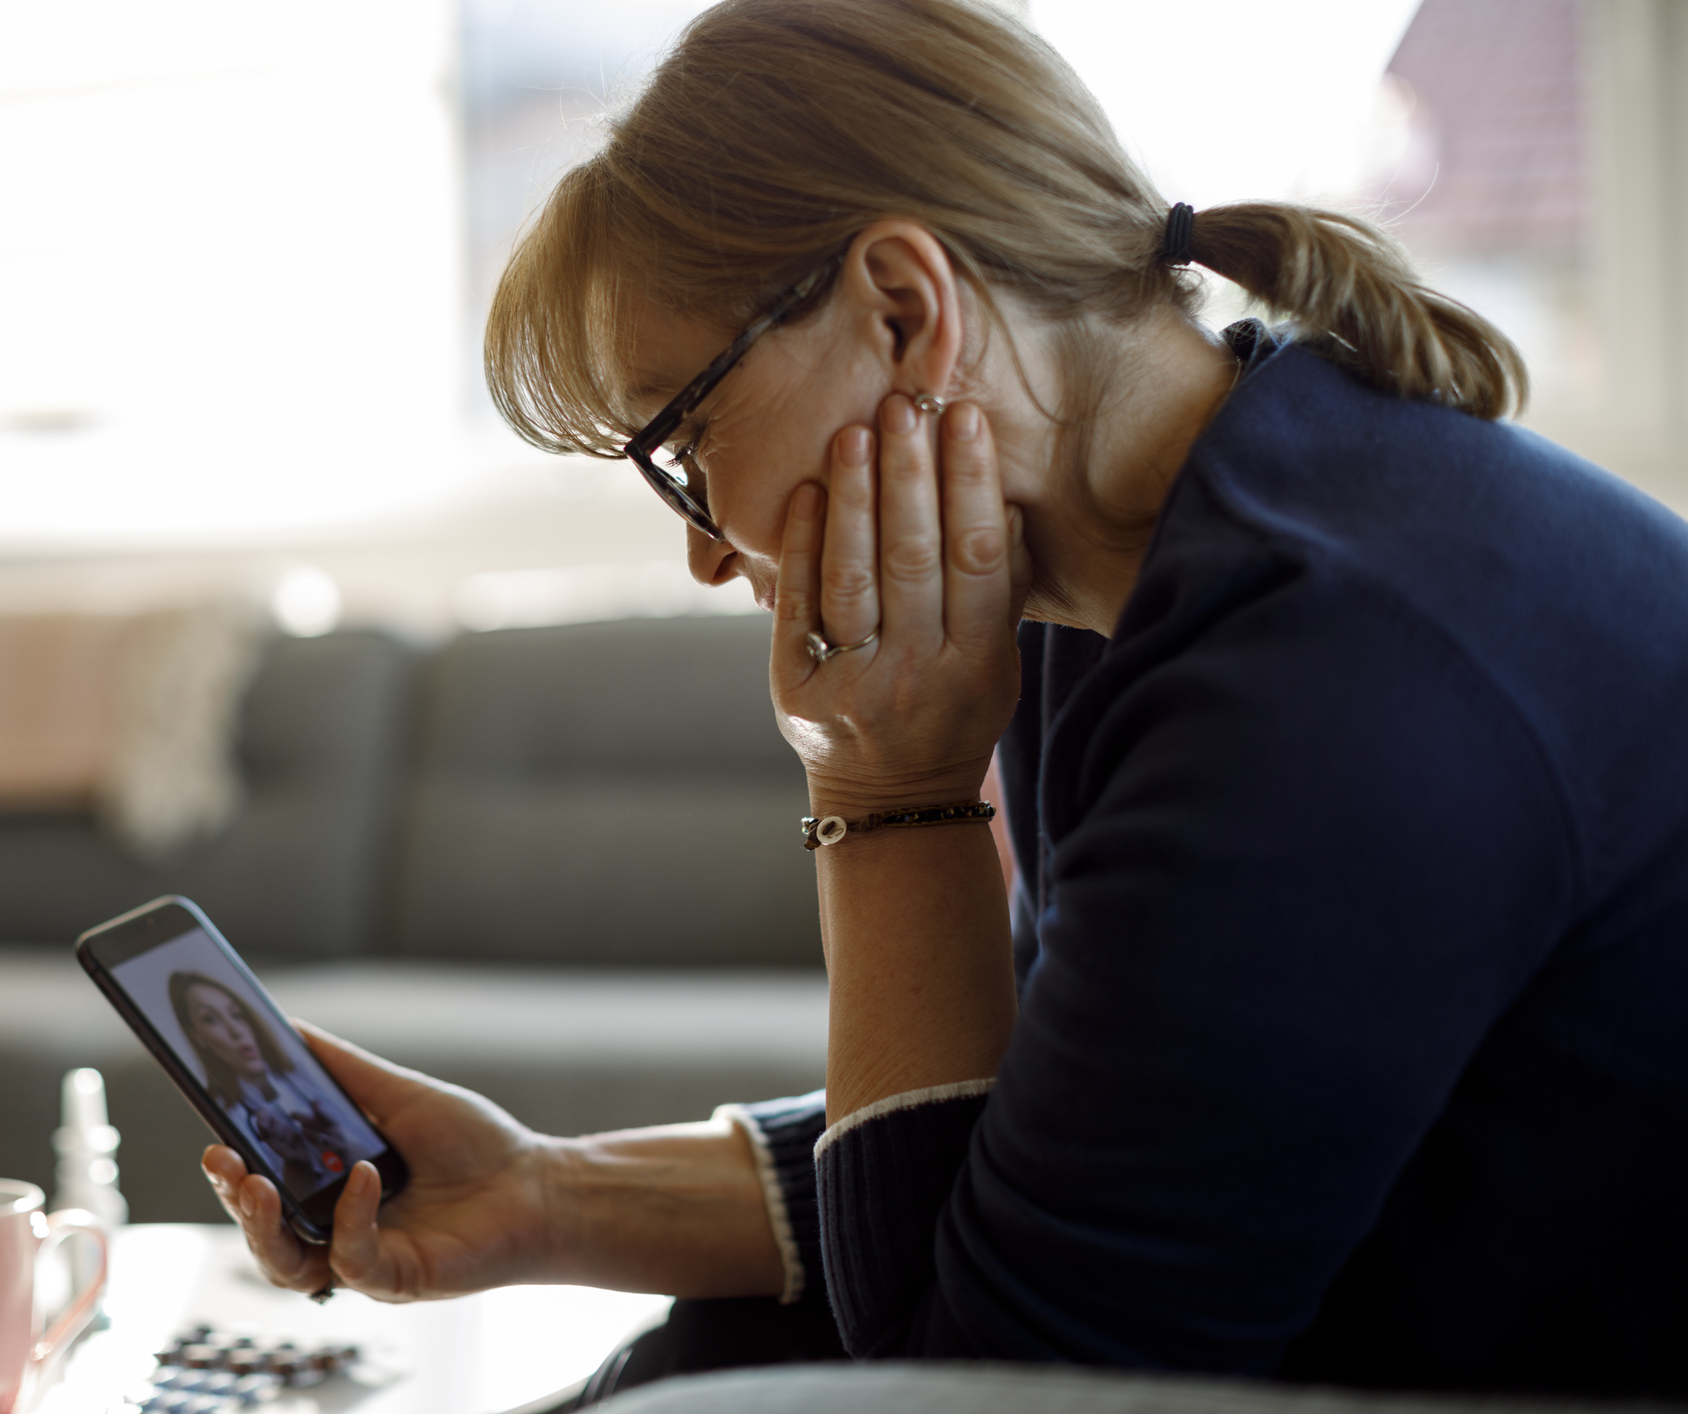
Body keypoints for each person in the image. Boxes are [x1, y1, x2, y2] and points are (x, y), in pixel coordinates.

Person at [201, 0, 1688, 1400]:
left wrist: (884, 796)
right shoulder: (1136, 579)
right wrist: (546, 1191)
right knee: (698, 1357)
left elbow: (975, 1378)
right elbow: (1053, 1144)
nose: (707, 553)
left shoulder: (1323, 672)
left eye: (686, 443)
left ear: (908, 312)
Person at [169, 972, 373, 1195]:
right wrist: (299, 1171)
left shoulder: (300, 1072)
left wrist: (344, 1150)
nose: (236, 1031)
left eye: (236, 1015)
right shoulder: (226, 1116)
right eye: (210, 1019)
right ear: (196, 1036)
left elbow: (369, 1154)